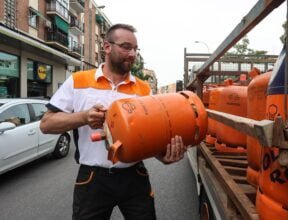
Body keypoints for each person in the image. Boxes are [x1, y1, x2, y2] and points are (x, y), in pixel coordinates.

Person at [40, 24, 187, 220]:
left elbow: (151, 138)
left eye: (135, 49)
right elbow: (46, 124)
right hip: (92, 178)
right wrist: (83, 117)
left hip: (134, 176)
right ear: (107, 47)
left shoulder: (144, 90)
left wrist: (164, 156)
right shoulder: (77, 81)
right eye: (126, 47)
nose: (132, 53)